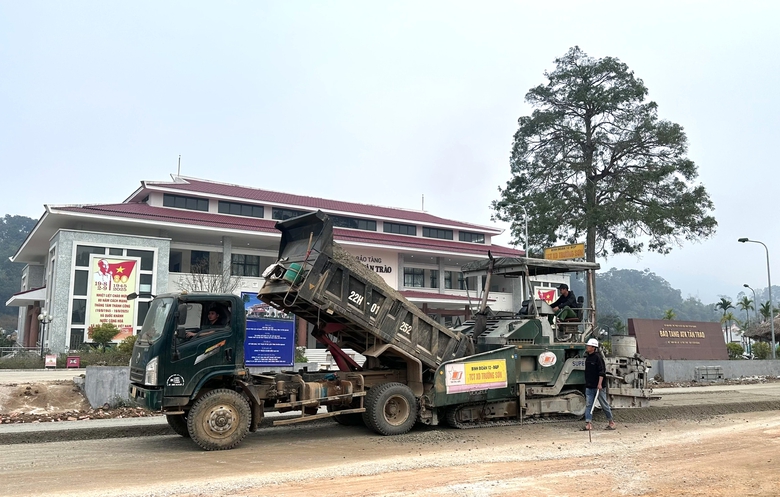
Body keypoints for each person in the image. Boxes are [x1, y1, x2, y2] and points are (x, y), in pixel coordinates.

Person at [583, 338, 616, 431]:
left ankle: (611, 422)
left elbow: (602, 372)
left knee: (604, 404)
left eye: (589, 346)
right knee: (589, 404)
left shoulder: (598, 358)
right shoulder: (588, 358)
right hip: (589, 386)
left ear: (593, 347)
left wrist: (599, 384)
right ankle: (588, 423)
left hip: (598, 386)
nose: (587, 347)